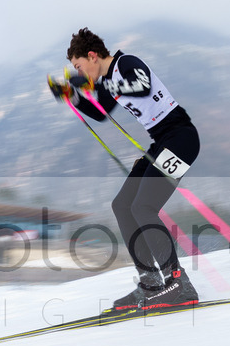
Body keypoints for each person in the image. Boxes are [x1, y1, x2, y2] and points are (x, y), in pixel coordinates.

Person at [49, 27, 200, 313]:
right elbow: (100, 113)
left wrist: (93, 86)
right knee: (122, 205)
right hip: (162, 142)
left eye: (79, 66)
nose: (81, 72)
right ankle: (151, 282)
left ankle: (177, 282)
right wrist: (72, 95)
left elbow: (141, 85)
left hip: (182, 140)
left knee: (144, 206)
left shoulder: (126, 63)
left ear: (92, 56)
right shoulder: (109, 79)